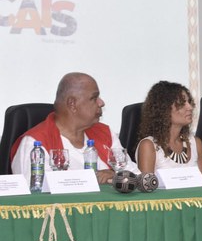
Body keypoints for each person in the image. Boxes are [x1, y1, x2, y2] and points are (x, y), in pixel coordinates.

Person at [10, 72, 138, 184]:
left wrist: (116, 175)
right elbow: (34, 190)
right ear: (72, 104)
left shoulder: (105, 133)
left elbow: (136, 176)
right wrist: (91, 179)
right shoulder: (35, 142)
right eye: (94, 98)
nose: (101, 103)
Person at [136, 81, 202, 175]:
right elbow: (146, 187)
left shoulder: (196, 143)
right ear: (164, 109)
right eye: (181, 103)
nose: (190, 107)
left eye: (189, 102)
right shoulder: (148, 146)